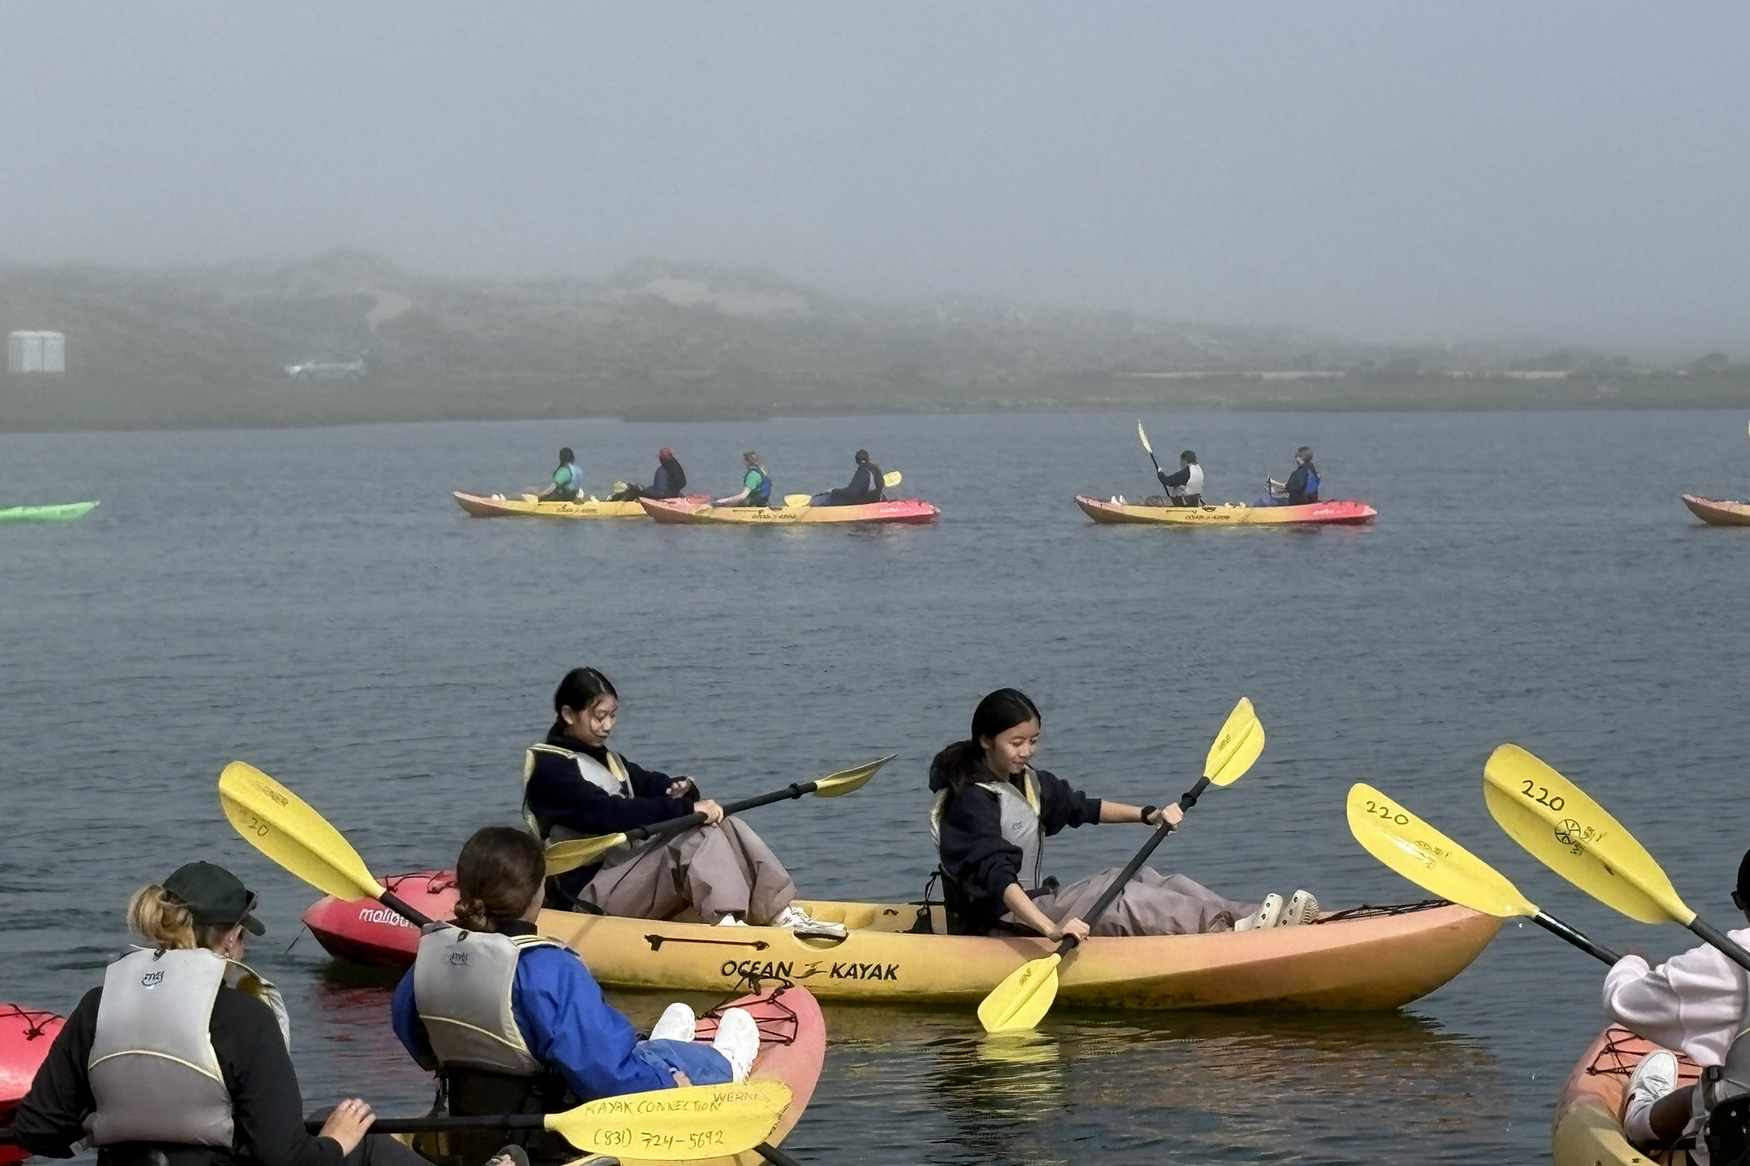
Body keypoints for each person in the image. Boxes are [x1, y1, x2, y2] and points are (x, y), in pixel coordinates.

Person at [12, 862, 495, 1166]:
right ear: (227, 937)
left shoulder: (98, 1005)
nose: (244, 948)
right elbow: (281, 1157)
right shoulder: (243, 1016)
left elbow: (39, 1129)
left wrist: (117, 1118)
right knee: (349, 1131)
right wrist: (336, 1142)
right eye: (244, 935)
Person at [391, 827, 759, 1164]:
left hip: (472, 1123)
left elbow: (412, 1034)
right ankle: (728, 1062)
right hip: (553, 1133)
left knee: (641, 1049)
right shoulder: (547, 969)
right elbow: (606, 1077)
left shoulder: (428, 961)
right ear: (540, 891)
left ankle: (664, 1043)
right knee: (669, 1062)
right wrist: (665, 1087)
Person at [929, 688, 1317, 940]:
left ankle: (1255, 917)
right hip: (1002, 924)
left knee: (1146, 878)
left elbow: (1084, 808)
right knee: (1123, 900)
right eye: (1016, 743)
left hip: (1037, 902)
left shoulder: (1027, 781)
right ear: (985, 741)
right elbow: (997, 879)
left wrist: (1149, 815)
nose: (1027, 751)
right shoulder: (969, 803)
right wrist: (1051, 929)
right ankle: (1231, 932)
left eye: (1033, 741)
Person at [521, 667, 844, 937]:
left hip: (621, 876)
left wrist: (681, 790)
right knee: (694, 836)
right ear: (567, 714)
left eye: (612, 716)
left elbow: (651, 784)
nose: (607, 726)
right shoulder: (552, 771)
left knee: (723, 821)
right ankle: (726, 926)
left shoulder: (609, 759)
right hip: (582, 897)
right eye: (598, 716)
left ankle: (777, 912)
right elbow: (607, 813)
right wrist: (685, 810)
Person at [1602, 848, 1750, 1160]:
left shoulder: (1727, 959)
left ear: (1743, 903)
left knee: (1718, 1094)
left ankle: (1640, 1121)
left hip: (1738, 1146)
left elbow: (1623, 1003)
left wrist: (1631, 963)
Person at [607, 449, 686, 503]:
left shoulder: (663, 470)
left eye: (660, 457)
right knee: (644, 488)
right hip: (670, 494)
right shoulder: (676, 466)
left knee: (635, 489)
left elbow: (660, 491)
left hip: (661, 496)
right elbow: (682, 483)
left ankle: (613, 501)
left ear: (661, 458)